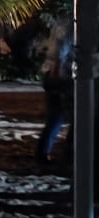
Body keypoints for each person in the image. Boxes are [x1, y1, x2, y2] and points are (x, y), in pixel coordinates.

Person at [36, 19, 73, 164]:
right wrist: (55, 78)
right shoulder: (71, 28)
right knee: (60, 117)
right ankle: (58, 154)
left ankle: (43, 152)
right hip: (62, 76)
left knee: (55, 117)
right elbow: (60, 54)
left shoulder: (62, 24)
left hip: (54, 74)